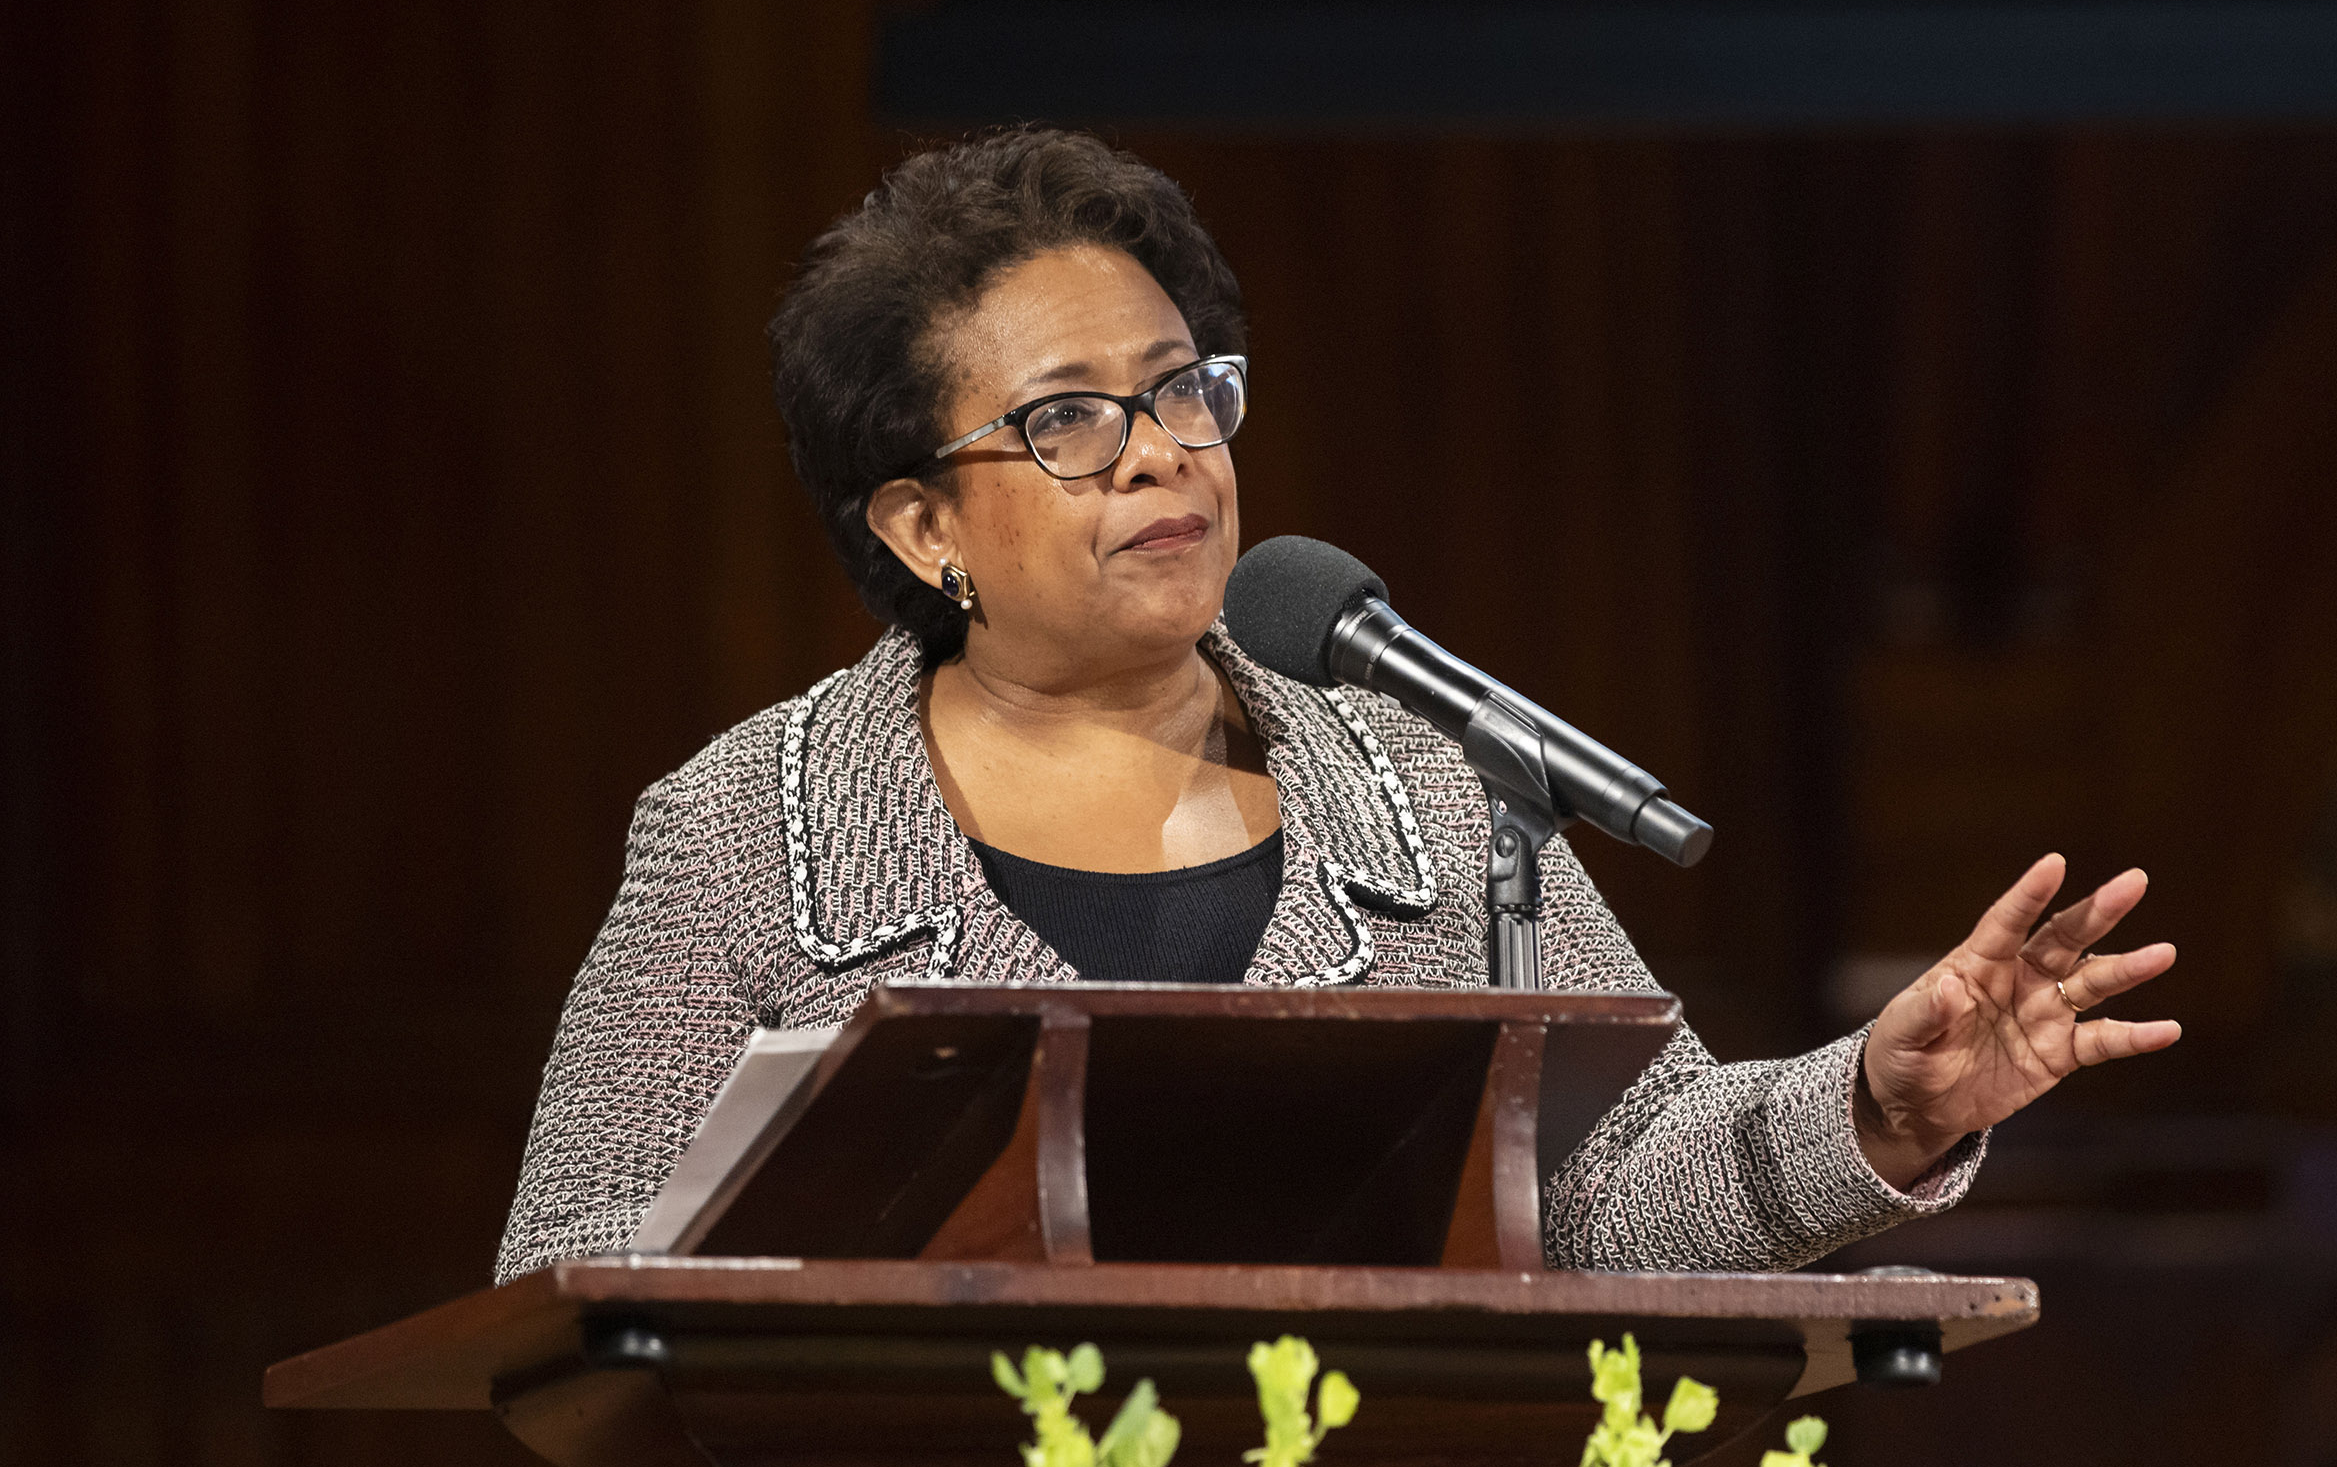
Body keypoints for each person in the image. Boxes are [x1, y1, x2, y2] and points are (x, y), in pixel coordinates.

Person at [494, 129, 2179, 1284]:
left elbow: (1607, 1205)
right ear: (924, 525)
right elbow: (574, 1270)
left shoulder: (1425, 794)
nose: (1162, 451)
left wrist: (1884, 1103)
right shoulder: (746, 829)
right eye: (1070, 420)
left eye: (1182, 392)